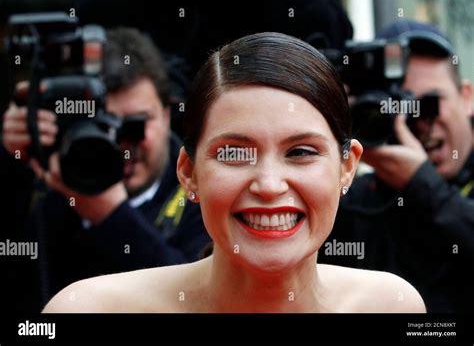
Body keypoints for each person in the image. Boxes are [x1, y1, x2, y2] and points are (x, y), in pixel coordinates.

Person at [42, 32, 425, 313]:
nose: (270, 185)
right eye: (235, 153)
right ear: (189, 172)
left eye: (301, 152)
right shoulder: (87, 310)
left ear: (346, 168)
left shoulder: (392, 305)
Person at [1, 28, 210, 313]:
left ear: (166, 114)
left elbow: (198, 299)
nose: (119, 143)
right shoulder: (48, 179)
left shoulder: (204, 188)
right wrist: (14, 160)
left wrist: (110, 214)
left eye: (134, 126)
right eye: (100, 126)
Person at [320, 20, 474, 312]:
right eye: (397, 106)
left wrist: (422, 186)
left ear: (466, 97)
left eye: (428, 104)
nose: (417, 121)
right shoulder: (359, 199)